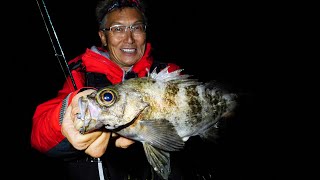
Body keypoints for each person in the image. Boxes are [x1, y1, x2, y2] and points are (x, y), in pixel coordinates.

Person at [31, 0, 182, 179]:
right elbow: (38, 136)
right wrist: (68, 112)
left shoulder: (168, 74)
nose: (129, 38)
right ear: (103, 37)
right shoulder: (81, 76)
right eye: (118, 29)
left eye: (137, 28)